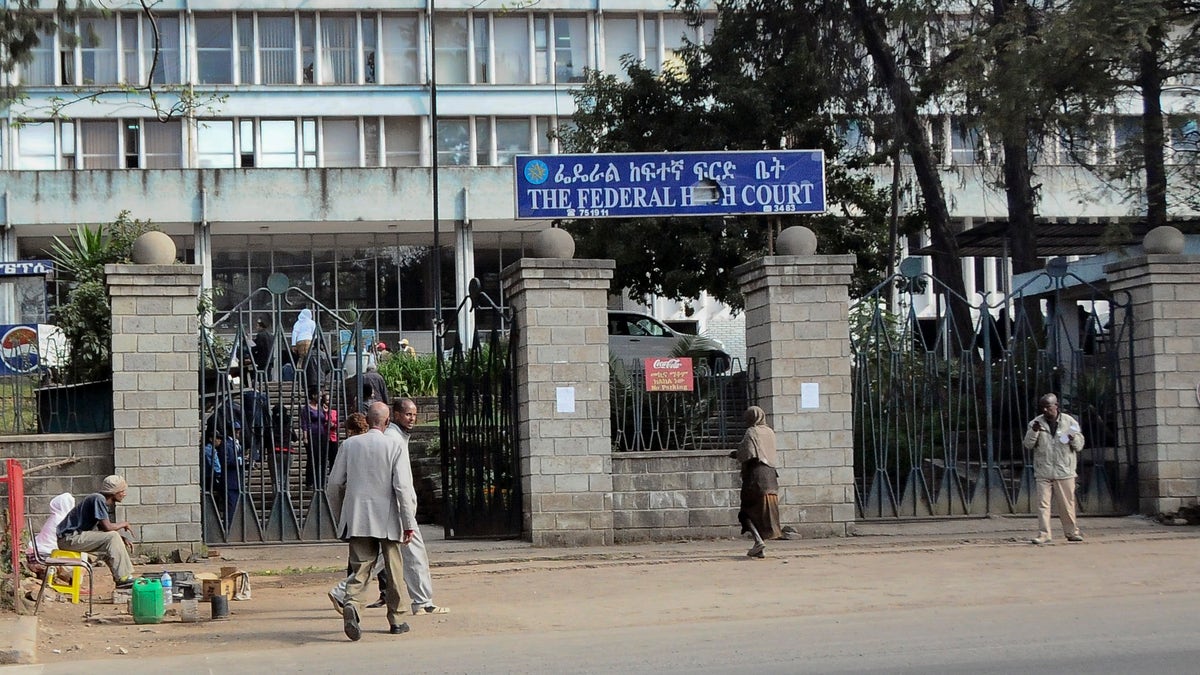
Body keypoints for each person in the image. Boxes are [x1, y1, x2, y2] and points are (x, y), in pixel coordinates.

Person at [327, 403, 417, 640]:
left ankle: (353, 605)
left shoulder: (350, 445)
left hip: (358, 517)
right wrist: (408, 522)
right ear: (387, 421)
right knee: (394, 569)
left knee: (361, 567)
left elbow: (334, 484)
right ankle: (397, 619)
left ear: (367, 420)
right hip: (388, 518)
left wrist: (341, 516)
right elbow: (402, 487)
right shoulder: (395, 445)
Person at [369, 397, 449, 615]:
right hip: (399, 509)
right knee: (408, 555)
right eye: (407, 414)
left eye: (414, 414)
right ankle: (423, 601)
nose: (412, 418)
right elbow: (400, 482)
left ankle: (343, 592)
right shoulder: (393, 439)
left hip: (400, 509)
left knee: (387, 558)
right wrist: (406, 516)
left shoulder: (397, 437)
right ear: (395, 415)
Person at [1023, 393, 1086, 545]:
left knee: (1067, 504)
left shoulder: (1069, 422)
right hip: (1043, 470)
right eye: (1042, 407)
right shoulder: (1035, 423)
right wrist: (1034, 432)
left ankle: (1071, 532)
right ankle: (1044, 534)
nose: (1045, 410)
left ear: (1056, 406)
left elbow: (1079, 446)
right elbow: (1028, 444)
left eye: (1048, 406)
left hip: (1064, 470)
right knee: (1043, 504)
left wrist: (1073, 438)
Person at [56, 475, 136, 588]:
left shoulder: (99, 500)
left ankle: (122, 579)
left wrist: (121, 539)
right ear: (114, 493)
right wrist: (125, 523)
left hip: (74, 538)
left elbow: (103, 529)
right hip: (69, 538)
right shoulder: (98, 499)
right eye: (122, 491)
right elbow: (108, 527)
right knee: (112, 537)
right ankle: (123, 578)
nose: (124, 494)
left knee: (112, 542)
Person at [731, 406, 783, 558]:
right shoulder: (770, 432)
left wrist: (736, 454)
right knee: (762, 513)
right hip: (772, 478)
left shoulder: (752, 432)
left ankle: (758, 541)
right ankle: (759, 549)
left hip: (757, 477)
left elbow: (748, 453)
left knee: (746, 512)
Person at [302, 392, 331, 490]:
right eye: (318, 395)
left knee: (322, 458)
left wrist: (326, 412)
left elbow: (326, 421)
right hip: (312, 434)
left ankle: (321, 481)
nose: (320, 397)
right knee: (312, 458)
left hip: (322, 434)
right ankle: (310, 482)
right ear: (313, 395)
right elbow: (304, 423)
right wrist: (305, 437)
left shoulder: (321, 407)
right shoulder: (306, 408)